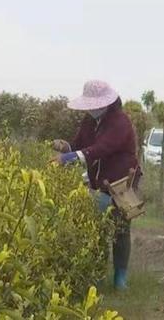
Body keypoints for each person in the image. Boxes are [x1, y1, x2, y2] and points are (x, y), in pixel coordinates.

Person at [51, 80, 139, 291]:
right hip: (98, 183)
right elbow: (81, 146)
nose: (90, 109)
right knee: (97, 230)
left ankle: (120, 278)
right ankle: (97, 276)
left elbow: (102, 148)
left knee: (120, 230)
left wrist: (71, 157)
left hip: (121, 183)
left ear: (105, 103)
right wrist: (67, 147)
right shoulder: (89, 122)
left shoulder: (120, 122)